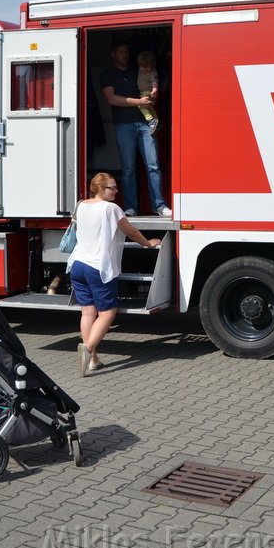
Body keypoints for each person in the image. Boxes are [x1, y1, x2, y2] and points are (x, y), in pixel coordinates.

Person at [68, 173, 161, 376]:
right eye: (112, 188)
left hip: (77, 265)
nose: (116, 191)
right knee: (108, 313)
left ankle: (93, 360)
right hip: (98, 268)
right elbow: (132, 232)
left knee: (87, 313)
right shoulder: (111, 209)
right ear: (99, 189)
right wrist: (148, 243)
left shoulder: (80, 205)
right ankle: (88, 349)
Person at [100, 40, 171, 218]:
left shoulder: (136, 69)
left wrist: (153, 94)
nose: (125, 55)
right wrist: (139, 102)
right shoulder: (107, 73)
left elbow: (149, 83)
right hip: (124, 125)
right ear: (113, 54)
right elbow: (112, 99)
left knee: (153, 165)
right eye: (122, 52)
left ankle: (159, 205)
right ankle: (131, 207)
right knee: (129, 168)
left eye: (126, 52)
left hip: (146, 124)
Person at [136, 50, 160, 135]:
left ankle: (151, 120)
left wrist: (154, 90)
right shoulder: (141, 68)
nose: (144, 69)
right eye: (142, 66)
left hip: (148, 93)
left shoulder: (153, 72)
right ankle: (156, 122)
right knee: (150, 108)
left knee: (141, 105)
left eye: (147, 67)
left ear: (152, 65)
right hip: (143, 92)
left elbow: (155, 83)